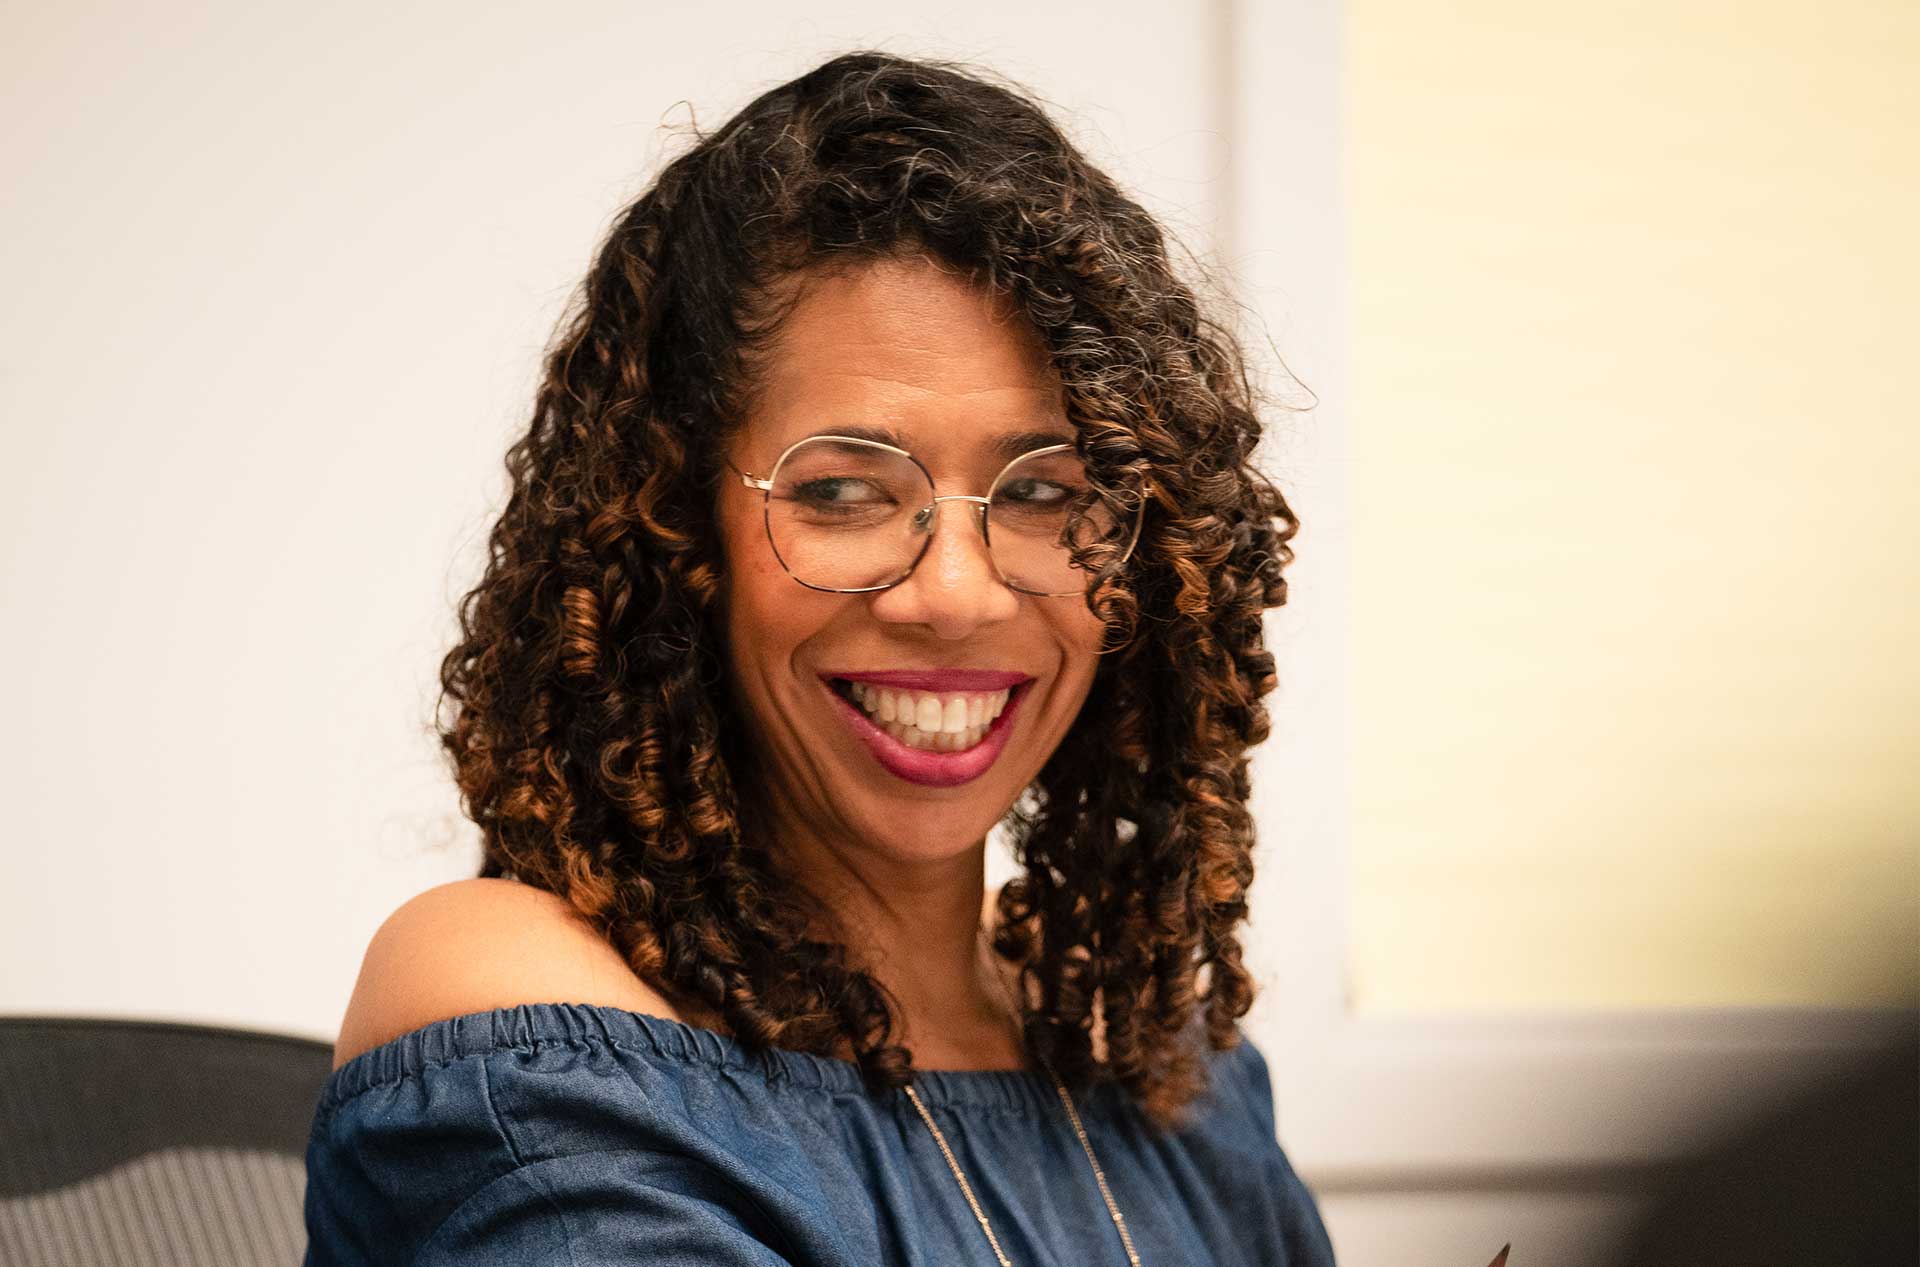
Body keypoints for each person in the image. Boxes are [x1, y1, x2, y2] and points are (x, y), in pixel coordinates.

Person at [303, 50, 1337, 1267]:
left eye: (1047, 490)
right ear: (677, 524)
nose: (956, 592)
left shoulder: (1158, 1060)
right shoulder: (517, 1004)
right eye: (844, 489)